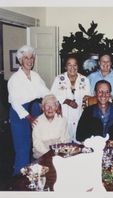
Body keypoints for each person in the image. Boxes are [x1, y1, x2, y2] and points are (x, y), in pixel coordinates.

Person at [7, 45, 50, 175]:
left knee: (36, 147)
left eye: (31, 58)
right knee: (23, 149)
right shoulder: (14, 79)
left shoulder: (36, 76)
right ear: (20, 60)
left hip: (35, 110)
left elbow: (46, 93)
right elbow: (14, 102)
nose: (29, 60)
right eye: (26, 58)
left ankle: (34, 177)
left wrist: (55, 104)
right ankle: (18, 182)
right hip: (20, 115)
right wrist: (29, 117)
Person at [76, 80, 113, 149]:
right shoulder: (88, 112)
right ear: (95, 93)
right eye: (100, 92)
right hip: (93, 151)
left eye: (107, 92)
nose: (103, 95)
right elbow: (79, 135)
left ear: (110, 94)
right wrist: (93, 142)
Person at [51, 54, 90, 142]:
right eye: (69, 65)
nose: (72, 67)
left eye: (75, 65)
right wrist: (65, 100)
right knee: (64, 144)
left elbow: (88, 98)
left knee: (80, 143)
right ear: (65, 67)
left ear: (78, 66)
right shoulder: (59, 79)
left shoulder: (85, 80)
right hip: (63, 117)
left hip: (79, 117)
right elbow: (52, 97)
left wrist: (87, 99)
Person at [32, 94, 70, 159]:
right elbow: (37, 144)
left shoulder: (63, 120)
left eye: (52, 105)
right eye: (47, 106)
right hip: (42, 155)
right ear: (43, 108)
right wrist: (50, 154)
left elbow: (65, 140)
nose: (50, 108)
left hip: (59, 154)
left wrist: (59, 153)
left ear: (56, 107)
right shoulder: (36, 122)